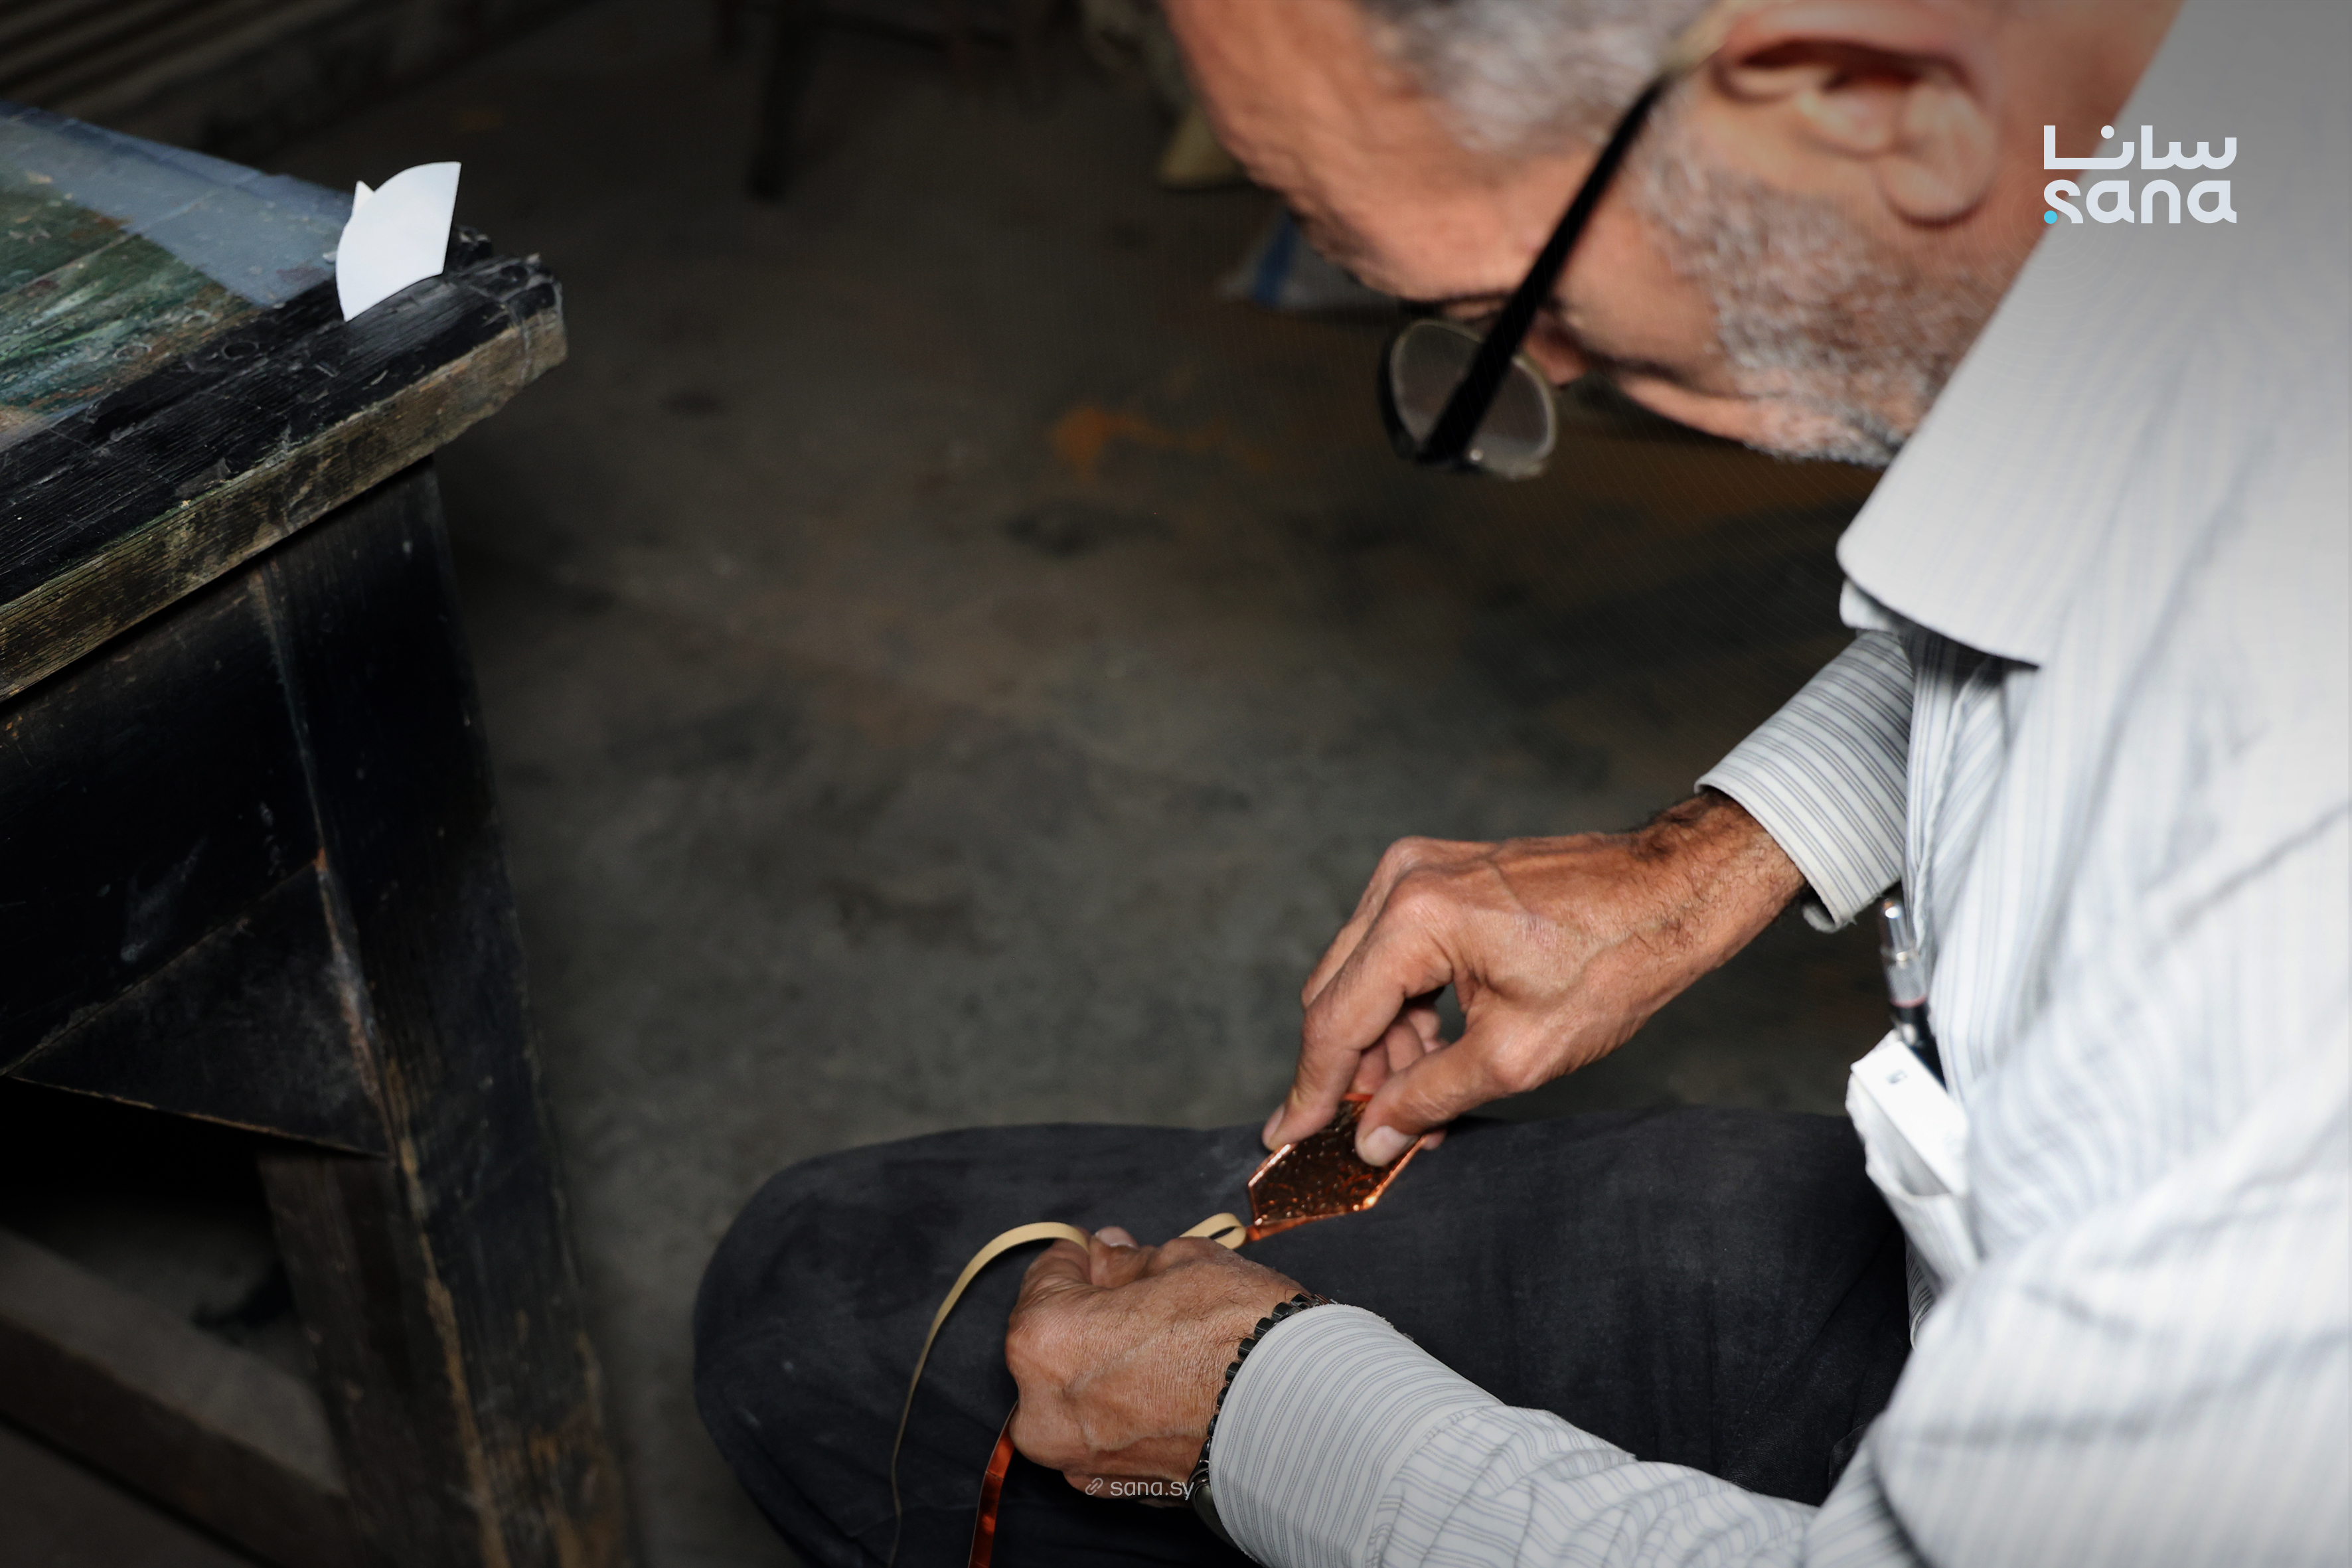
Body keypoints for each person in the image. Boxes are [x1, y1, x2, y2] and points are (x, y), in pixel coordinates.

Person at [693, 0, 2349, 1561]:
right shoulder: (2218, 139)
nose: (1537, 377)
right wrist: (1712, 856)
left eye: (1521, 309)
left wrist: (1251, 1415)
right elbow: (2074, 551)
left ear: (1863, 97)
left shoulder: (2271, 913)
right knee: (822, 1301)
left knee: (881, 1381)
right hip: (1975, 1275)